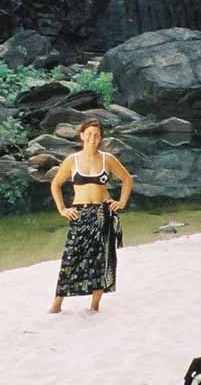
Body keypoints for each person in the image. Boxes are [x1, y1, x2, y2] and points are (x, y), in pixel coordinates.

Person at [49, 118, 133, 313]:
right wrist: (62, 209)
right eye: (88, 134)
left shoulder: (108, 159)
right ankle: (56, 305)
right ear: (81, 136)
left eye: (96, 135)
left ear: (101, 138)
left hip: (103, 213)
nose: (92, 138)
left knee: (100, 260)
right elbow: (56, 184)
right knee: (70, 258)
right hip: (79, 214)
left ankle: (94, 306)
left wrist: (121, 202)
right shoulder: (72, 160)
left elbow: (127, 179)